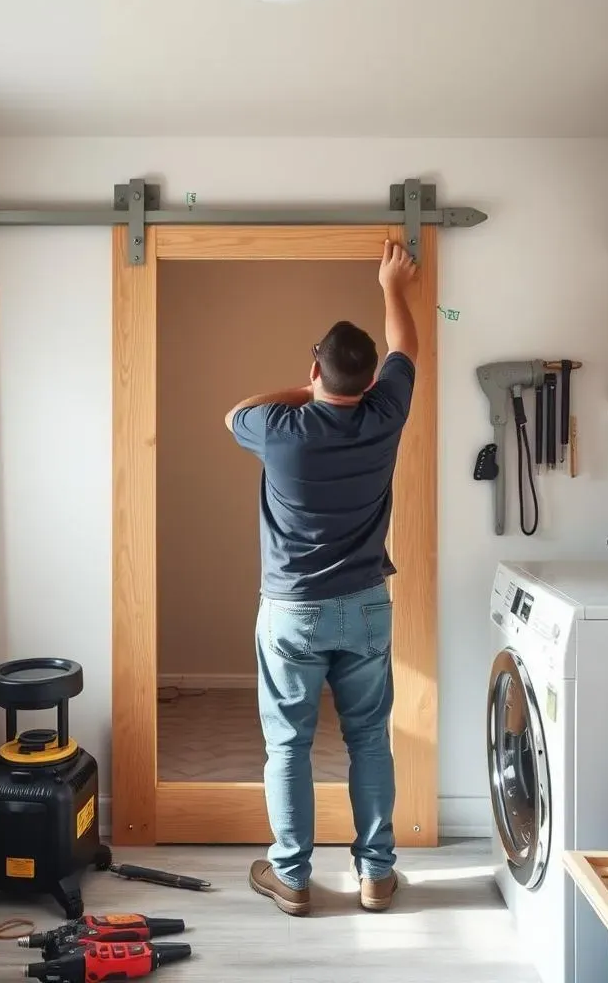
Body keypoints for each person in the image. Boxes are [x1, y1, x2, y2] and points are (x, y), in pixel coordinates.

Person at [225, 240, 419, 917]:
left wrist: (310, 392)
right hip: (365, 605)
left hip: (292, 612)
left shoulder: (280, 428)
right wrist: (391, 284)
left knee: (289, 745)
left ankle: (294, 880)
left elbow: (235, 412)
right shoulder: (387, 412)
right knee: (369, 739)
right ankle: (376, 876)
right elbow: (405, 345)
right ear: (369, 383)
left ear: (314, 371)